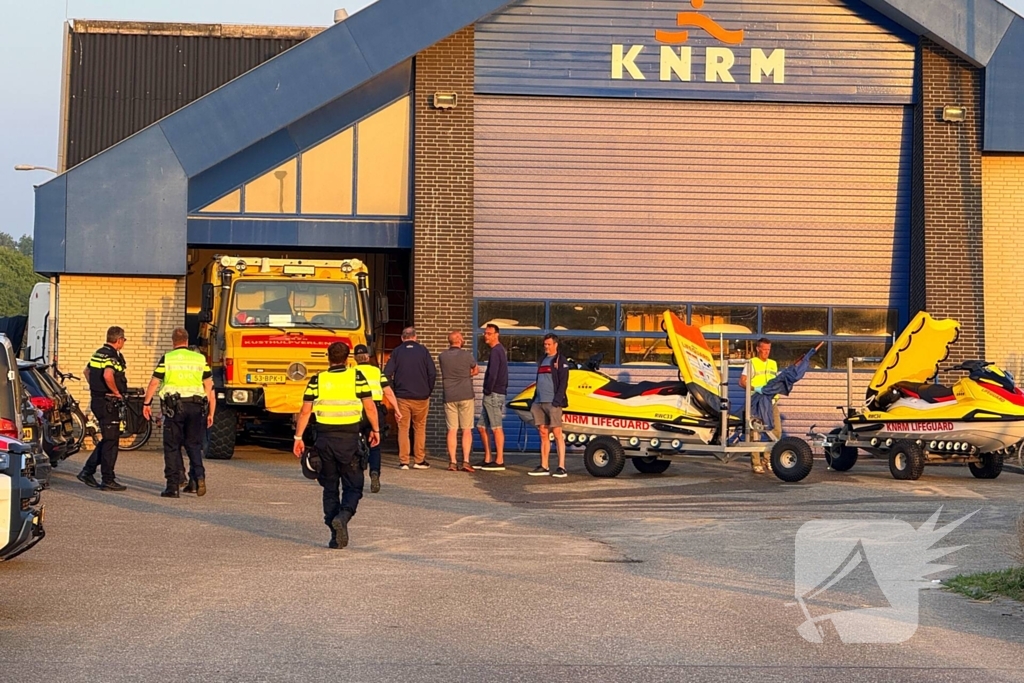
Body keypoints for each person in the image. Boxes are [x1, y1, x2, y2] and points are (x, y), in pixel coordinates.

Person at [293, 342, 379, 549]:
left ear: (328, 358)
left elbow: (305, 412)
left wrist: (298, 438)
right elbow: (370, 406)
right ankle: (343, 516)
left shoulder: (317, 380)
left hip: (324, 441)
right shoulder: (357, 377)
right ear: (348, 358)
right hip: (349, 441)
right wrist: (375, 430)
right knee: (353, 486)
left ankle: (334, 536)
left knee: (330, 488)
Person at [142, 328, 216, 498]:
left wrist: (146, 403)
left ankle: (172, 486)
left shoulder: (168, 358)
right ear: (187, 340)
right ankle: (199, 477)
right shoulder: (199, 359)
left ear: (173, 341)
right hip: (196, 407)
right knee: (194, 445)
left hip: (174, 408)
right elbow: (209, 385)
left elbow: (154, 383)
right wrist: (209, 409)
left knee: (172, 446)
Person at [77, 326, 129, 491]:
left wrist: (96, 388)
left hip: (98, 401)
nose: (124, 343)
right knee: (111, 442)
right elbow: (108, 375)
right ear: (119, 340)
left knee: (109, 439)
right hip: (108, 402)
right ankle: (107, 479)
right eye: (124, 340)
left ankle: (88, 471)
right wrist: (115, 392)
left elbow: (86, 372)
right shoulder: (112, 356)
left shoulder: (98, 353)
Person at [383, 327, 436, 470]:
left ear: (402, 338)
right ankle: (419, 460)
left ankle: (404, 461)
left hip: (402, 397)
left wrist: (394, 389)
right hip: (421, 397)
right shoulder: (424, 351)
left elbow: (386, 374)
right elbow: (432, 372)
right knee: (419, 428)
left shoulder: (397, 352)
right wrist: (428, 390)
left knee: (403, 428)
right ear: (415, 337)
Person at [353, 343, 402, 493]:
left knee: (354, 444)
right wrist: (397, 410)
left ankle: (356, 478)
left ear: (355, 358)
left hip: (357, 410)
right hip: (376, 410)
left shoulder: (351, 372)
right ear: (367, 357)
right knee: (375, 444)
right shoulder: (376, 372)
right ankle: (375, 472)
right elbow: (388, 392)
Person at [438, 330, 479, 472]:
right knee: (466, 429)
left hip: (449, 395)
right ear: (460, 340)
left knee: (452, 430)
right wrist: (466, 374)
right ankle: (466, 461)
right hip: (466, 394)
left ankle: (452, 462)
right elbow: (476, 370)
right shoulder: (467, 355)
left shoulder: (442, 356)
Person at [529, 333, 569, 478]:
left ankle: (561, 467)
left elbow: (563, 383)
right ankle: (544, 465)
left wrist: (557, 401)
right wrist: (534, 400)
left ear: (555, 345)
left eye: (549, 344)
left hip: (553, 403)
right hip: (539, 402)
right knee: (543, 433)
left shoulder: (560, 361)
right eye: (545, 344)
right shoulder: (542, 360)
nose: (546, 346)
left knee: (557, 434)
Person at [739, 337, 781, 473]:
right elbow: (742, 382)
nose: (767, 352)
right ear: (758, 349)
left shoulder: (773, 364)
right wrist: (755, 388)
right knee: (754, 433)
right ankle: (756, 463)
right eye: (764, 350)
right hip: (756, 401)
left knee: (776, 432)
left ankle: (767, 459)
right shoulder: (751, 363)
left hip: (771, 402)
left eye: (769, 350)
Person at [477, 324, 508, 471]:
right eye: (485, 333)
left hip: (494, 394)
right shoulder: (497, 351)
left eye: (489, 333)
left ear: (496, 335)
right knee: (481, 427)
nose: (486, 336)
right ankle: (488, 457)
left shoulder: (497, 351)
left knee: (496, 427)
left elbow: (494, 373)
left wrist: (488, 390)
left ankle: (499, 460)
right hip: (492, 394)